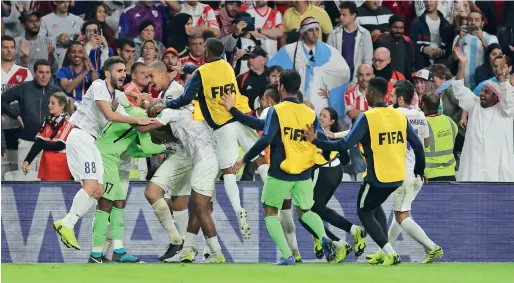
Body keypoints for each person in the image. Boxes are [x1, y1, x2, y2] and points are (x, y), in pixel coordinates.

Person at [304, 77, 426, 266]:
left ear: (370, 93)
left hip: (377, 176)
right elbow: (417, 144)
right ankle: (383, 251)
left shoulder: (367, 117)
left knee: (363, 210)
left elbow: (345, 144)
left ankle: (390, 252)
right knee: (374, 206)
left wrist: (316, 141)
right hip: (398, 175)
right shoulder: (398, 116)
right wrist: (420, 169)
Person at [165, 38, 269, 240]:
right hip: (241, 118)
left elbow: (187, 97)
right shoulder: (227, 66)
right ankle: (274, 192)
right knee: (259, 159)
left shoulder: (201, 74)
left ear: (207, 51)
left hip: (222, 127)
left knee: (229, 171)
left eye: (204, 47)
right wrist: (185, 67)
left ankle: (238, 209)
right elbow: (201, 70)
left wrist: (168, 103)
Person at [231, 69, 338, 265]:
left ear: (281, 88)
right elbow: (320, 139)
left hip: (280, 171)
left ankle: (287, 256)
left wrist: (244, 160)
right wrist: (331, 151)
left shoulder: (276, 111)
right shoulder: (310, 113)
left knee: (270, 211)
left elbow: (266, 138)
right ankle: (324, 237)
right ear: (297, 88)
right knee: (305, 212)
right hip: (304, 172)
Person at [52, 56, 156, 250]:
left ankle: (68, 222)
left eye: (124, 71)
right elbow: (110, 115)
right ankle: (67, 223)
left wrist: (149, 108)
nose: (123, 75)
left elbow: (133, 110)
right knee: (92, 185)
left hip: (91, 141)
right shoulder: (99, 85)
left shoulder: (116, 96)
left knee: (99, 190)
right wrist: (137, 121)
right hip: (81, 136)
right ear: (107, 73)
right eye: (119, 71)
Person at [139, 93, 226, 264]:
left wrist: (129, 117)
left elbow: (144, 128)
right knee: (196, 207)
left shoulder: (169, 112)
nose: (157, 107)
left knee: (201, 208)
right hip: (210, 156)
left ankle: (216, 252)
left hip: (204, 159)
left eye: (157, 104)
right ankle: (187, 250)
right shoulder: (190, 108)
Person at [366, 80, 443, 264]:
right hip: (417, 172)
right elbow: (425, 143)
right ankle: (384, 251)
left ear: (400, 99)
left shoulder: (394, 113)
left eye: (392, 95)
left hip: (402, 172)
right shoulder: (420, 115)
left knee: (401, 216)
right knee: (399, 213)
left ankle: (432, 247)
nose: (389, 98)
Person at [89, 102, 172, 264]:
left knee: (119, 203)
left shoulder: (134, 113)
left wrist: (163, 148)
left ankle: (118, 251)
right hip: (105, 159)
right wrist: (168, 147)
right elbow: (148, 148)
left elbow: (133, 149)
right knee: (105, 206)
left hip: (108, 159)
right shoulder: (141, 118)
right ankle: (95, 254)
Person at [452, 48, 514, 182]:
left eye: (486, 92)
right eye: (482, 91)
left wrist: (502, 75)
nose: (481, 94)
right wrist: (462, 64)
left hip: (495, 173)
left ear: (497, 97)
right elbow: (458, 89)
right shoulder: (474, 104)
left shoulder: (505, 111)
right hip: (472, 170)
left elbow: (508, 100)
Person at [268, 17, 350, 117]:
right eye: (310, 30)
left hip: (319, 98)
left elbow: (343, 72)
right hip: (297, 95)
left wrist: (330, 91)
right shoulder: (291, 50)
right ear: (304, 32)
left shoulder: (329, 51)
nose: (314, 33)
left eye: (317, 30)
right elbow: (272, 69)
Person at [2, 59, 60, 173]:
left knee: (48, 184)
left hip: (49, 144)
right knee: (25, 182)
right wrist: (16, 115)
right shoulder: (24, 88)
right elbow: (2, 100)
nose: (44, 76)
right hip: (27, 142)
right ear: (34, 73)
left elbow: (65, 110)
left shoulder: (56, 91)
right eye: (41, 72)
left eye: (47, 73)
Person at [22, 92, 74, 181]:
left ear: (62, 105)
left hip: (60, 169)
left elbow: (60, 145)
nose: (49, 105)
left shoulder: (68, 122)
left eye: (53, 103)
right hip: (46, 167)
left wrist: (42, 145)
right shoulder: (47, 121)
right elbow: (38, 143)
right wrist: (27, 161)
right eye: (49, 103)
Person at [1, 35, 33, 173]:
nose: (9, 50)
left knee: (15, 169)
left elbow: (30, 99)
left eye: (12, 48)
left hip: (17, 126)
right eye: (5, 47)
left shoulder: (24, 72)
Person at [327, 1, 373, 84]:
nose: (341, 17)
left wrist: (358, 80)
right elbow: (328, 57)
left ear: (353, 15)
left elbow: (367, 60)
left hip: (358, 80)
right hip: (337, 79)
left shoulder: (365, 34)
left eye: (344, 15)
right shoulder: (334, 34)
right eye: (340, 14)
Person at [452, 10, 498, 89]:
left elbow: (494, 59)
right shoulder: (459, 37)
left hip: (484, 82)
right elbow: (455, 57)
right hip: (463, 82)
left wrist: (482, 38)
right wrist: (459, 38)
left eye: (477, 20)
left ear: (482, 23)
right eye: (470, 20)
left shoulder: (492, 38)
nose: (473, 22)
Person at [421, 92, 458, 182]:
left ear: (423, 105)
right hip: (450, 175)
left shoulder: (422, 124)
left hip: (430, 176)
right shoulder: (450, 121)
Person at [409, 0, 454, 69]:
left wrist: (442, 52)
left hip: (440, 66)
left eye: (431, 1)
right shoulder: (416, 22)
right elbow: (410, 43)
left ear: (437, 2)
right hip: (422, 64)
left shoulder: (446, 24)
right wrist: (422, 49)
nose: (428, 3)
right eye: (426, 1)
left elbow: (450, 46)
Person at [39, 0, 84, 68]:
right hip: (54, 59)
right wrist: (56, 39)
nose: (65, 5)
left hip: (75, 58)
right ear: (54, 2)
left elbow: (85, 37)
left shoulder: (78, 20)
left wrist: (80, 39)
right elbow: (39, 40)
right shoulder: (45, 20)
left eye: (67, 2)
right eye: (62, 2)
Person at [374, 14, 414, 80]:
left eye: (401, 28)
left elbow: (409, 65)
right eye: (395, 27)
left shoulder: (407, 42)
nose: (399, 31)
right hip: (384, 80)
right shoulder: (380, 41)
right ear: (389, 27)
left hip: (402, 81)